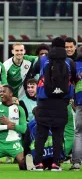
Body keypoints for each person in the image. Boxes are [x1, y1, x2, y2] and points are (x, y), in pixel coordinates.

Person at [31, 37, 76, 171]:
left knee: (41, 133)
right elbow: (73, 78)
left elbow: (33, 72)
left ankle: (38, 163)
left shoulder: (43, 59)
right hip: (62, 102)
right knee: (58, 134)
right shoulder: (69, 62)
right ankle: (56, 164)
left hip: (44, 101)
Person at [0, 85, 27, 170]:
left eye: (4, 91)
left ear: (11, 94)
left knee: (23, 165)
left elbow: (24, 129)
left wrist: (11, 124)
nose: (1, 94)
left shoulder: (19, 109)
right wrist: (6, 126)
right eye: (0, 92)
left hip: (13, 142)